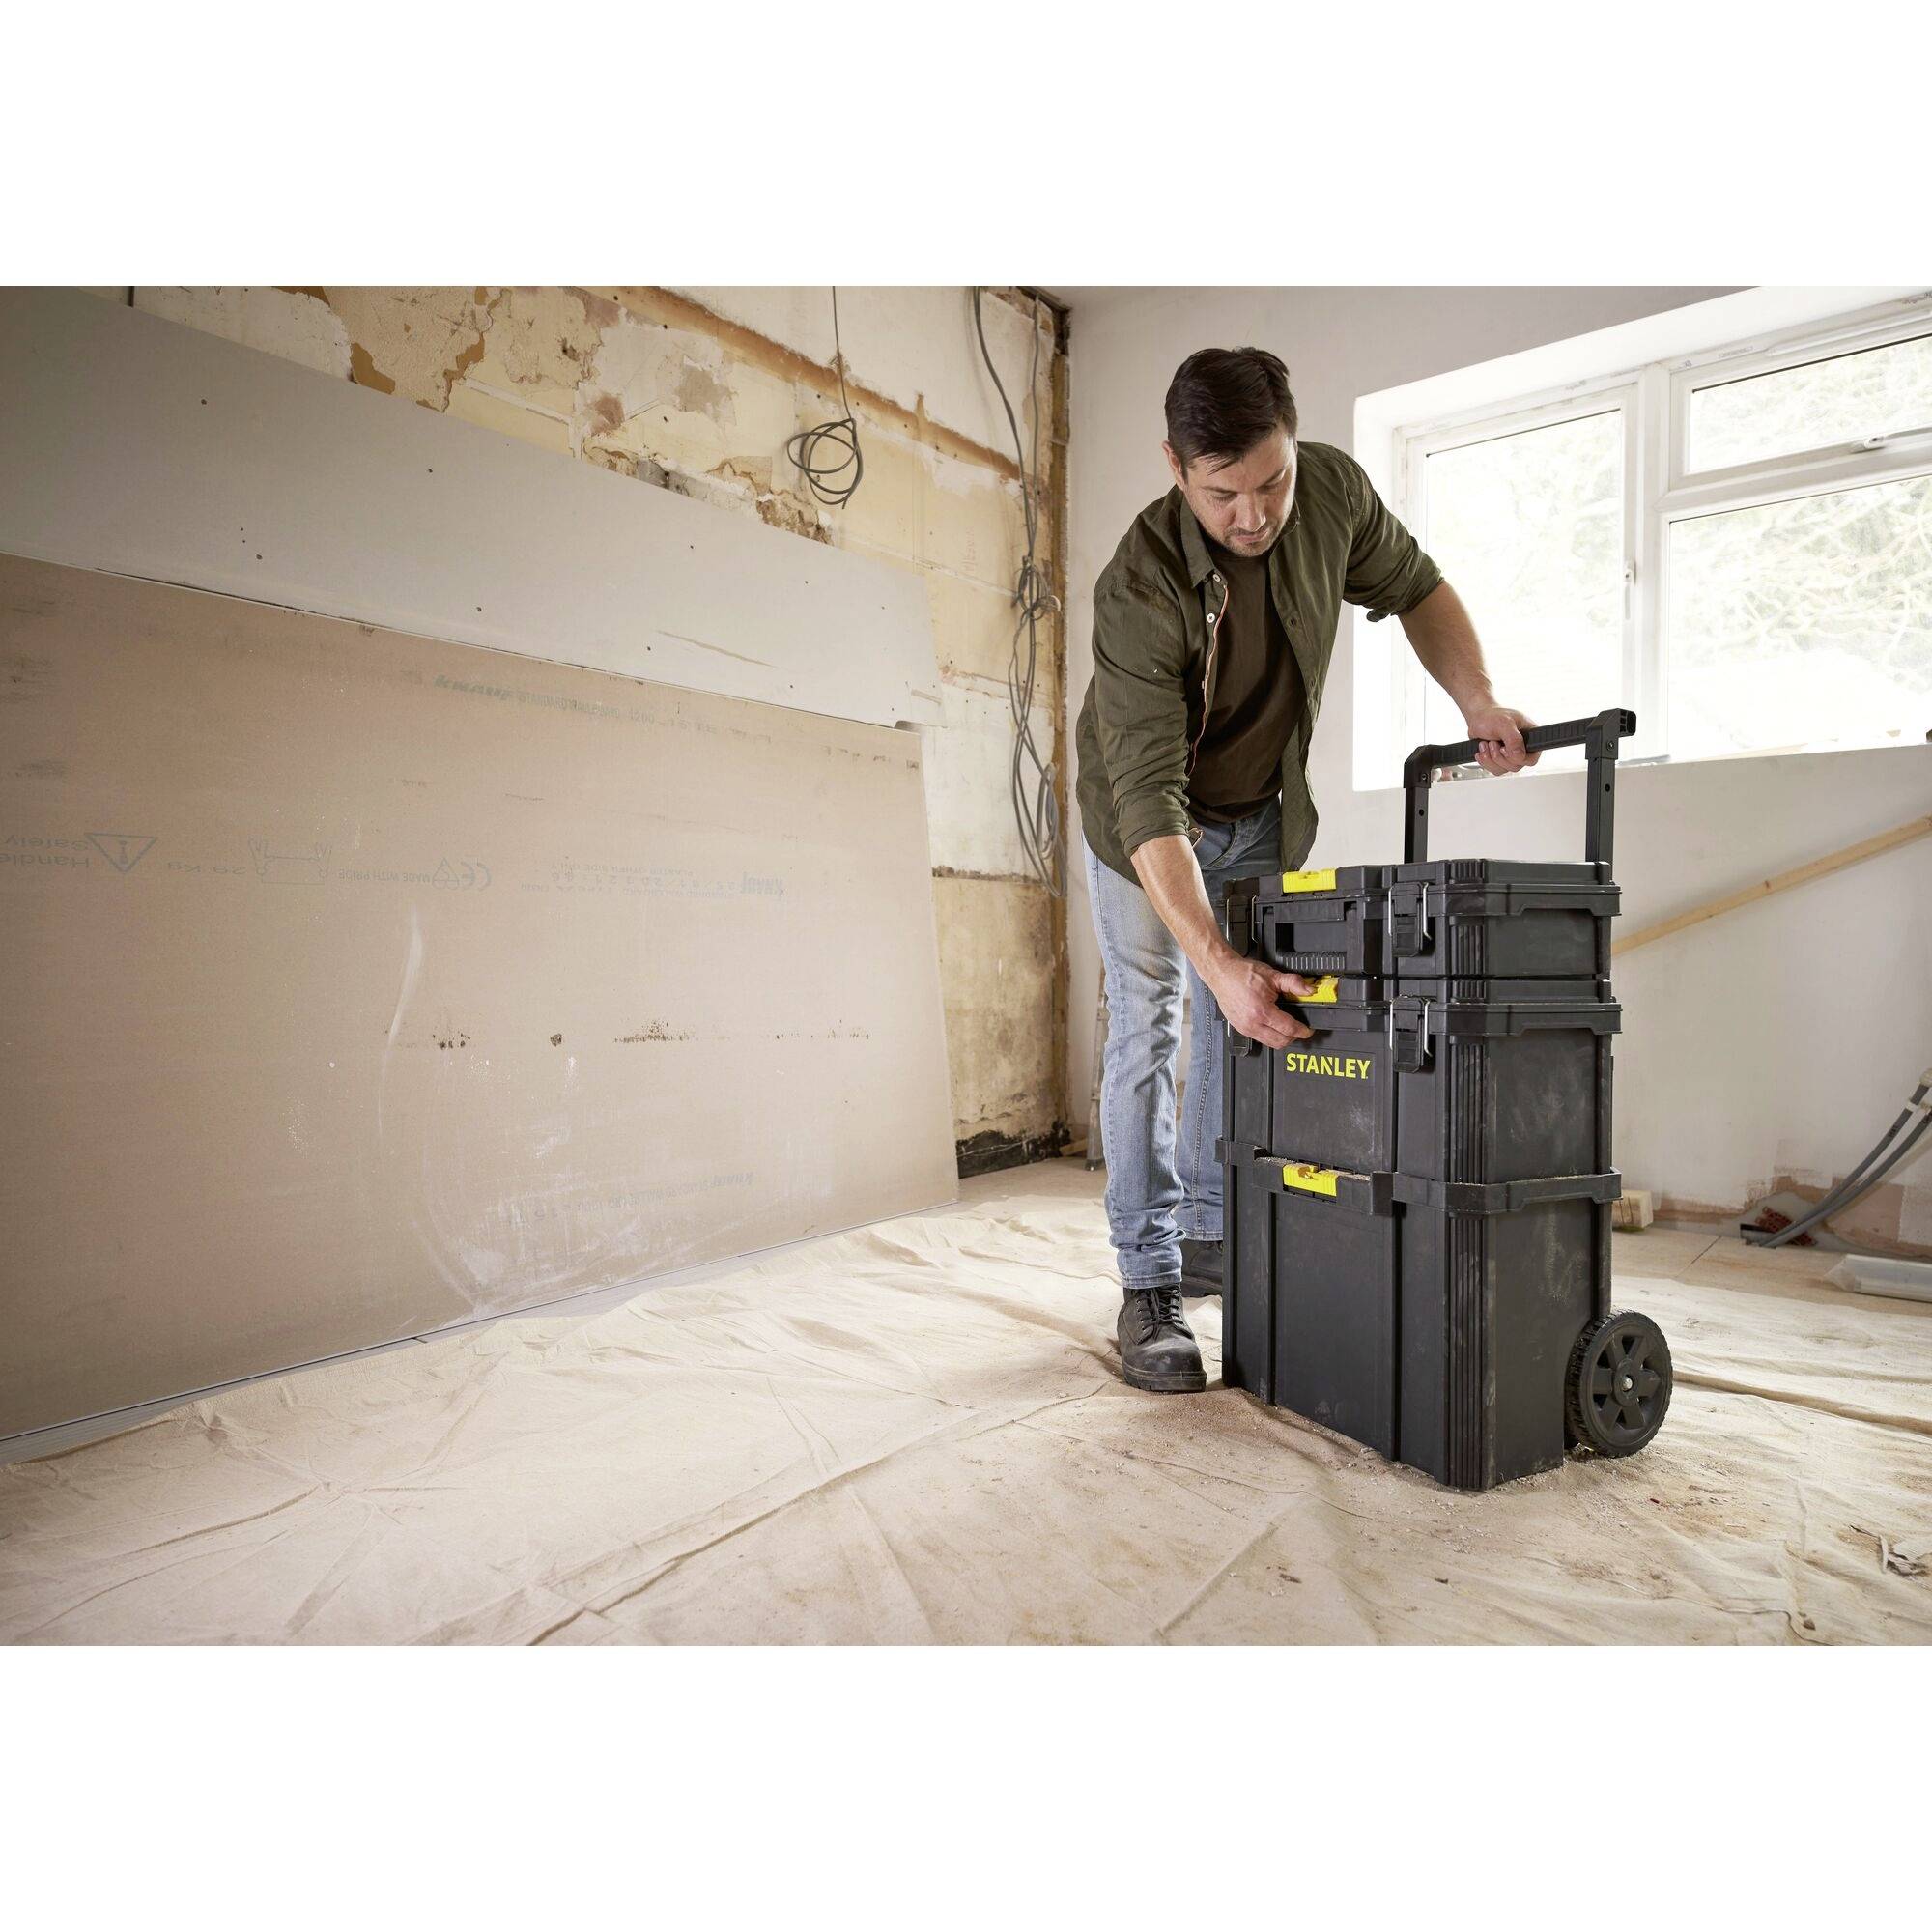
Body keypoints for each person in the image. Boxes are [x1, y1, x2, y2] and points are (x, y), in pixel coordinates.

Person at [1074, 346, 1538, 1393]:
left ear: (1294, 445)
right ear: (1174, 467)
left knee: (1233, 1022)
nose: (1252, 514)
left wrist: (1475, 702)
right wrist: (1208, 948)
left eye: (1269, 481)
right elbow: (1147, 796)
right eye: (1222, 492)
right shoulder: (1136, 585)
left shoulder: (1329, 490)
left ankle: (1208, 1233)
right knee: (1154, 1014)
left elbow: (1417, 586)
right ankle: (1146, 1279)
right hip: (1145, 826)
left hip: (1260, 814)